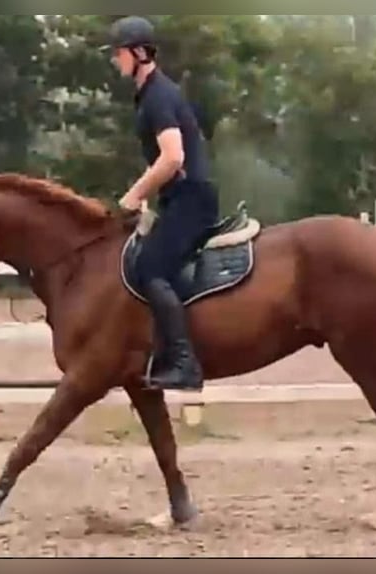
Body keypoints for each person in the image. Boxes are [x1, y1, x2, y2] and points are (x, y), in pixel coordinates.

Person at [104, 16, 220, 391]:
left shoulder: (158, 96)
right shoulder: (151, 94)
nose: (114, 60)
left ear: (138, 53)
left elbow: (173, 157)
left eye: (118, 52)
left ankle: (185, 362)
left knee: (150, 267)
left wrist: (135, 194)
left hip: (192, 200)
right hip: (178, 198)